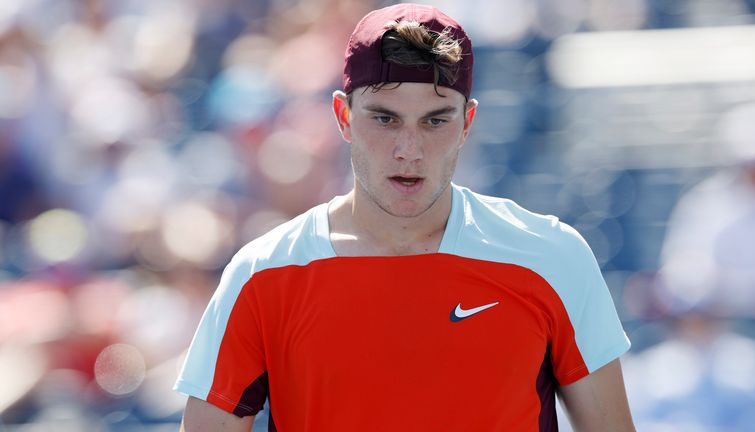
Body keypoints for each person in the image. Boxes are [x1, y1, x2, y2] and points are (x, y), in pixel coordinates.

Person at [174, 3, 635, 431]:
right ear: (343, 116)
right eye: (385, 119)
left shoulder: (552, 257)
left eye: (435, 121)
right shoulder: (262, 274)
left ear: (467, 124)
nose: (409, 151)